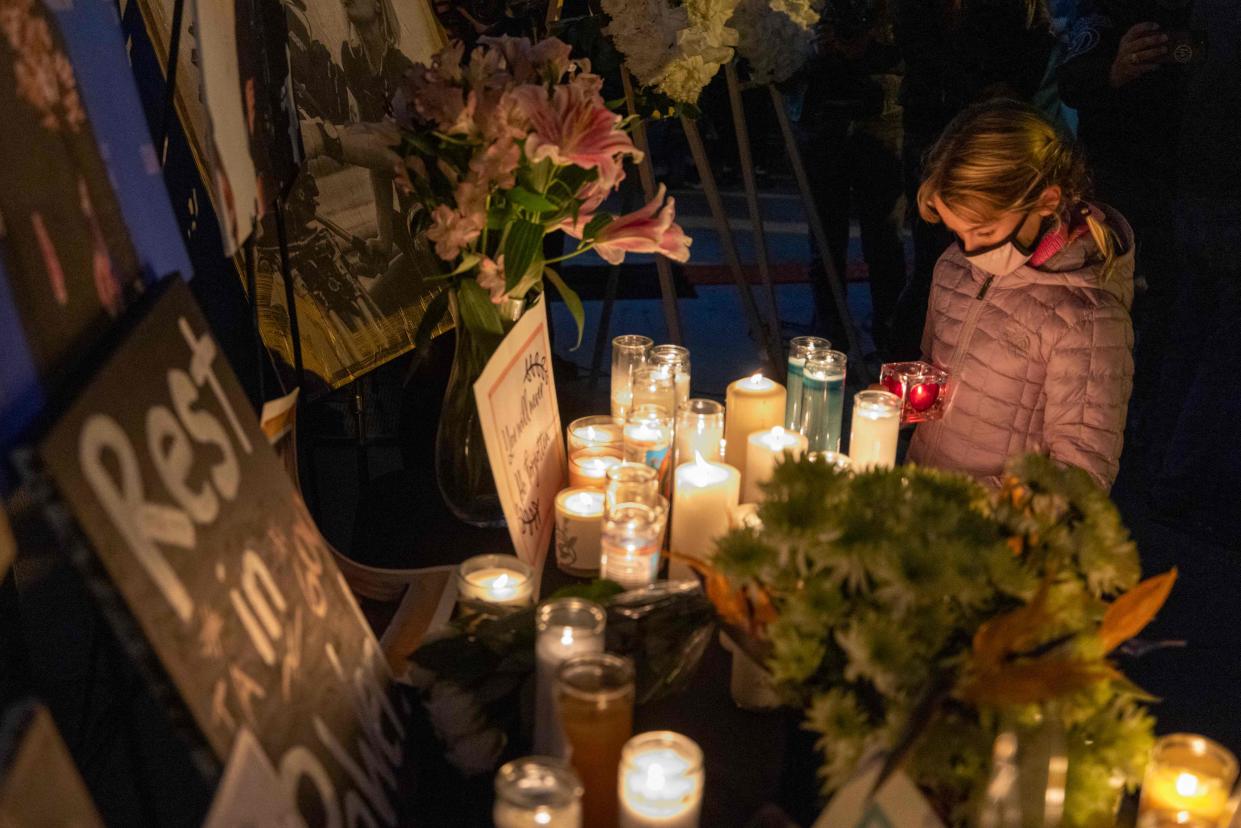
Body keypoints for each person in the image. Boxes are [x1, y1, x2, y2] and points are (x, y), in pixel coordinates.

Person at [906, 100, 1135, 491]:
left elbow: (1080, 479)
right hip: (921, 504)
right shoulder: (953, 269)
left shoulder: (1086, 320)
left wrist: (962, 504)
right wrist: (900, 399)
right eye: (958, 233)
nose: (970, 251)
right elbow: (936, 372)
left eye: (985, 233)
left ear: (1046, 201)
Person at [888, 0, 1056, 360]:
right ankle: (912, 370)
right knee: (934, 262)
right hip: (935, 126)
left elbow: (1039, 37)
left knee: (992, 263)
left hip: (994, 133)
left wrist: (1007, 89)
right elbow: (916, 46)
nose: (969, 246)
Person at [802, 0, 906, 356]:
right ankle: (829, 333)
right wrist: (811, 44)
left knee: (883, 237)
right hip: (826, 113)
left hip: (883, 114)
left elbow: (923, 38)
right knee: (825, 235)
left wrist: (873, 41)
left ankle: (889, 334)